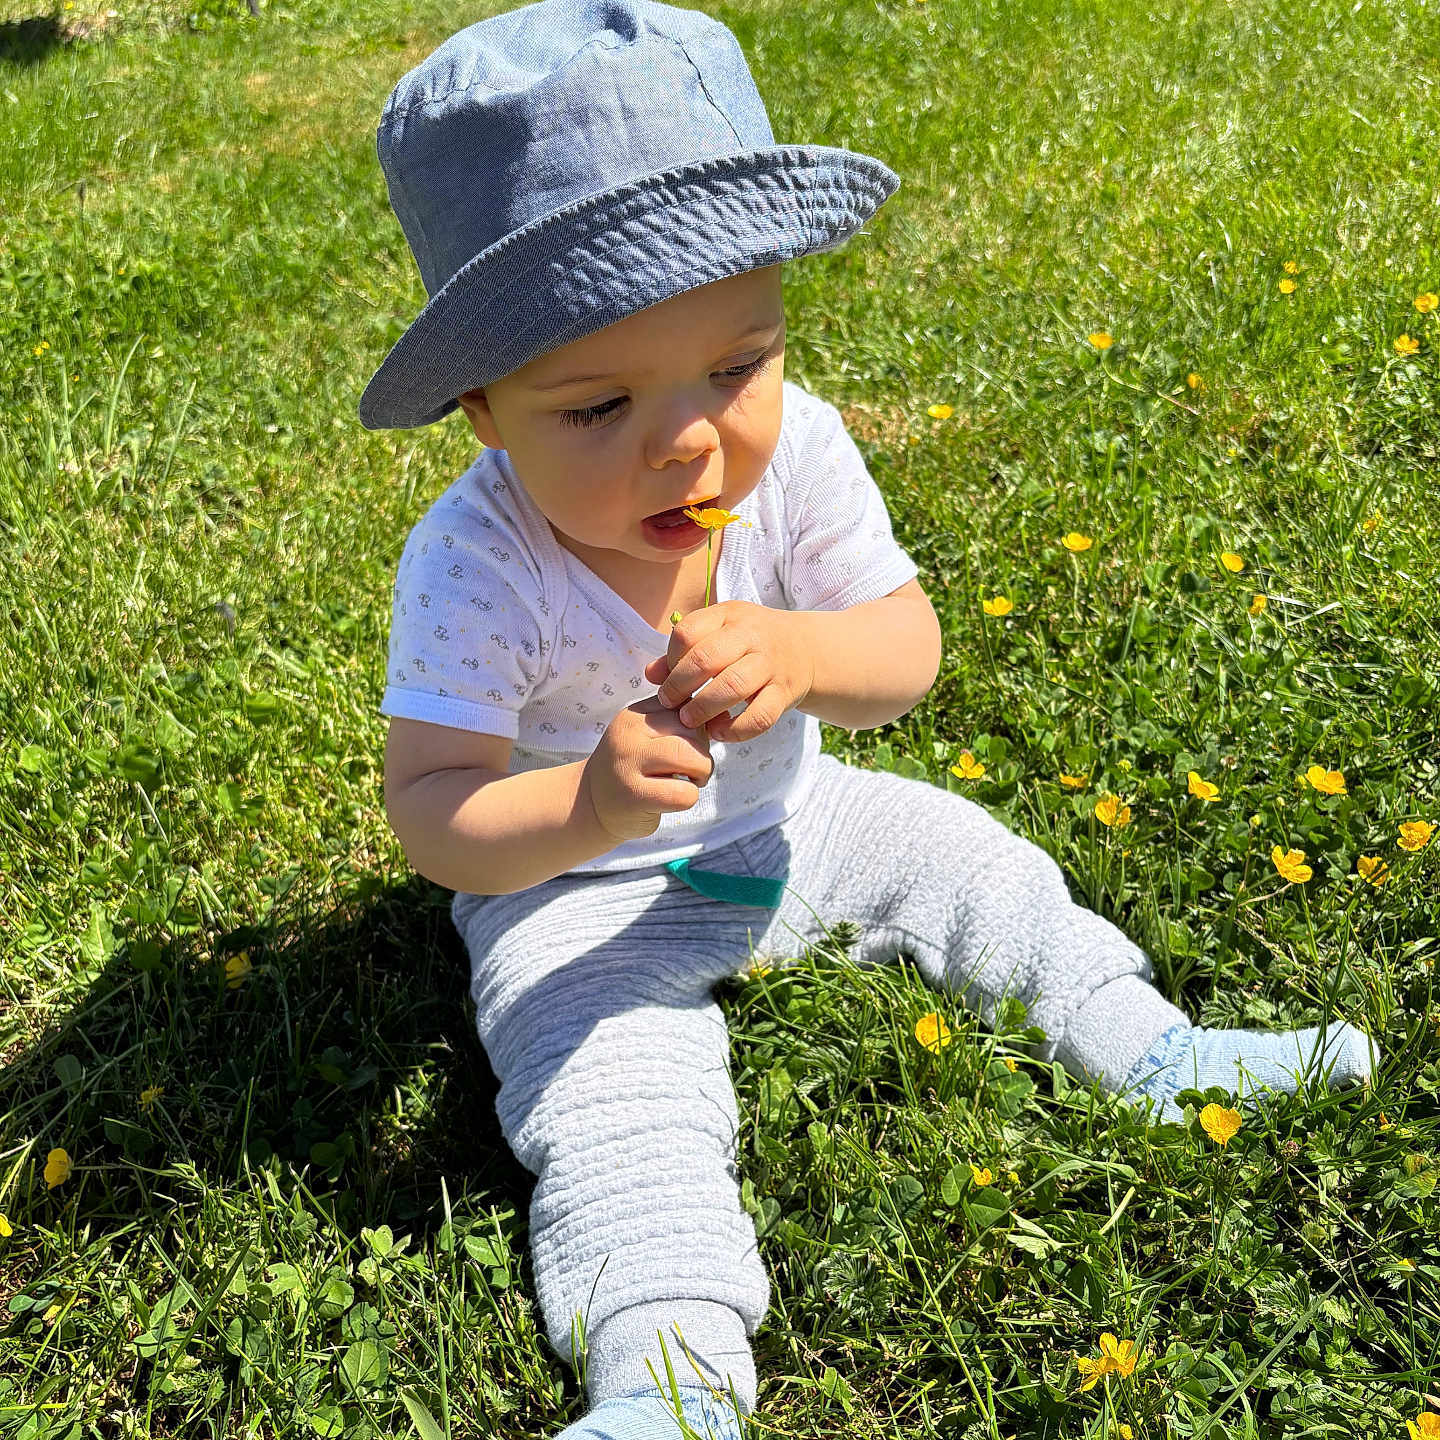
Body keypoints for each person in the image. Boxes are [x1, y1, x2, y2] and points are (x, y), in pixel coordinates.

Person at [358, 2, 1379, 1435]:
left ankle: (1145, 1046)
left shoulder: (800, 455)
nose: (689, 436)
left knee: (981, 866)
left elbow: (905, 654)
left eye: (738, 363)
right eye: (596, 407)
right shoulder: (475, 564)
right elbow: (435, 811)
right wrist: (582, 806)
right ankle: (667, 1375)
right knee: (610, 1097)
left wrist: (804, 651)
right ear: (482, 413)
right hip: (573, 892)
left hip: (794, 815)